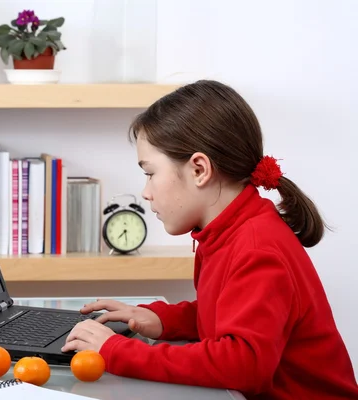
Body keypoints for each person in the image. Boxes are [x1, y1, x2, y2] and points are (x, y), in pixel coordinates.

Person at [61, 80, 358, 399]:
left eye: (150, 173)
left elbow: (243, 366)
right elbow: (227, 313)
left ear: (200, 169)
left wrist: (116, 351)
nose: (146, 192)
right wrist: (163, 318)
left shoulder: (258, 248)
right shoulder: (231, 230)